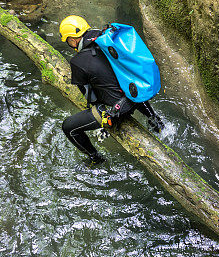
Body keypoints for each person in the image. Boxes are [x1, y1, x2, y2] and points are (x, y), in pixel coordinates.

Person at [59, 15, 164, 164]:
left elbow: (90, 96)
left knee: (68, 127)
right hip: (137, 93)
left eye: (68, 41)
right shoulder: (107, 38)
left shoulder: (77, 62)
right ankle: (155, 120)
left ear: (72, 39)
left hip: (117, 108)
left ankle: (95, 158)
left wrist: (105, 120)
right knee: (125, 84)